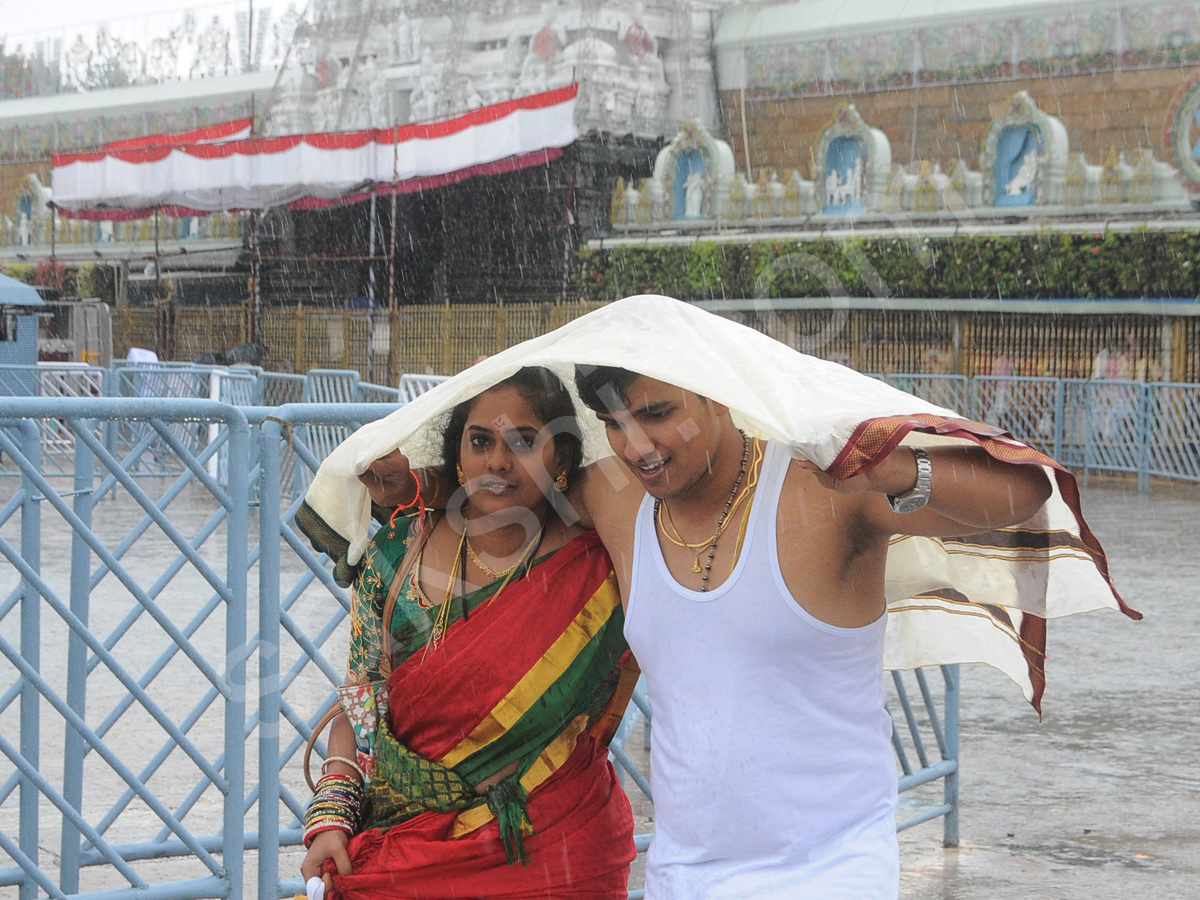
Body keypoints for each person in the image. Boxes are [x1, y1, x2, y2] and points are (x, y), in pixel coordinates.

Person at [306, 295, 1136, 900]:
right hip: (681, 869)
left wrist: (904, 472)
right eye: (618, 422)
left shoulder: (823, 489)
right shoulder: (615, 496)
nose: (639, 445)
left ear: (717, 393)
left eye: (660, 414)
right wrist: (411, 480)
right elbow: (510, 475)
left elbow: (1024, 494)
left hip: (830, 869)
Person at [298, 367, 637, 900]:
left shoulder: (599, 563)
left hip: (555, 849)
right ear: (457, 452)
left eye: (525, 442)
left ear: (565, 459)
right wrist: (333, 814)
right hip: (413, 855)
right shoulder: (401, 550)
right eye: (480, 441)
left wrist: (426, 482)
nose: (498, 461)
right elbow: (363, 702)